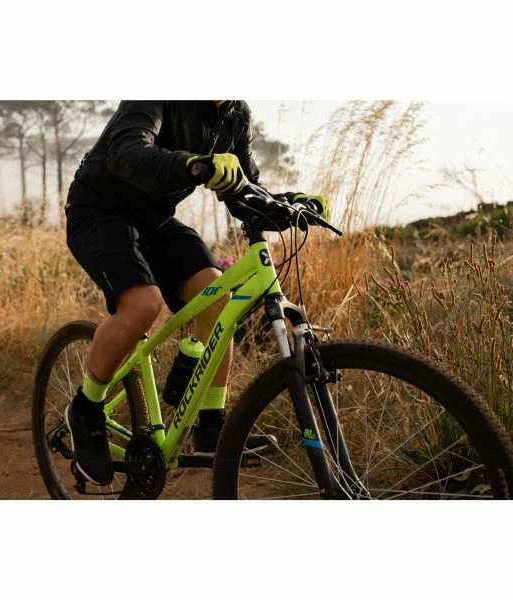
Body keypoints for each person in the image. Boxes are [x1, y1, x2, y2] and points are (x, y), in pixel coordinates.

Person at [64, 100, 330, 486]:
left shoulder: (235, 115)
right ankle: (86, 408)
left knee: (218, 299)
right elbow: (126, 151)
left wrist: (288, 204)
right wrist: (194, 164)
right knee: (143, 305)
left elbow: (245, 190)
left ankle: (211, 428)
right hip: (98, 211)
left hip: (155, 221)